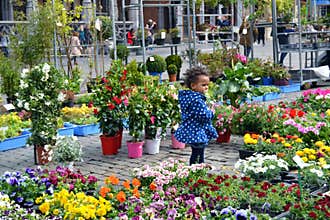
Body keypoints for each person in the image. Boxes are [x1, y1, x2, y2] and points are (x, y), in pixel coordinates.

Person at [174, 66, 218, 165]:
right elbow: (203, 116)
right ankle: (196, 170)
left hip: (193, 129)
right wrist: (211, 112)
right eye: (203, 85)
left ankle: (195, 169)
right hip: (196, 131)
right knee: (198, 154)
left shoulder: (190, 97)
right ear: (193, 85)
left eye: (207, 85)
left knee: (196, 152)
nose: (206, 87)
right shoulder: (197, 100)